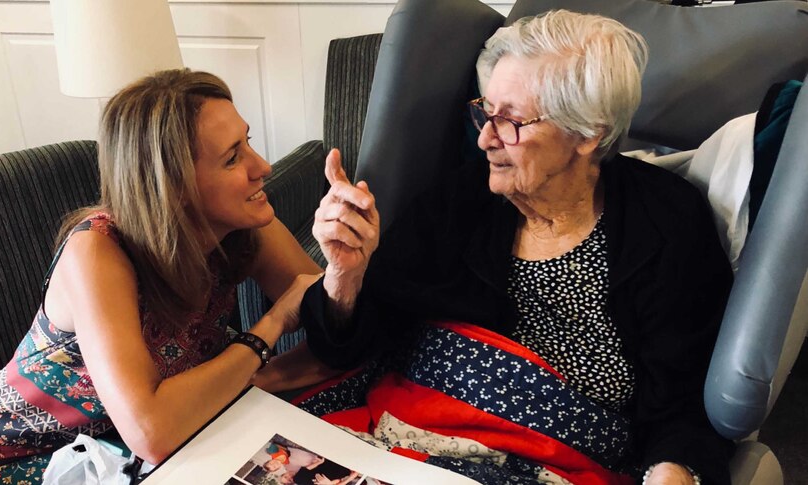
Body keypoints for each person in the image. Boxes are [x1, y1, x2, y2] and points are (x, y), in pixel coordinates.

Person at [298, 10, 733, 485]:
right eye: (485, 111)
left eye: (512, 121)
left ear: (590, 134)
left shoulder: (667, 224)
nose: (485, 138)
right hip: (402, 431)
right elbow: (353, 347)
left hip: (555, 462)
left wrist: (673, 471)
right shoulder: (458, 202)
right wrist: (345, 275)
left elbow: (688, 404)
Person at [0, 68, 328, 485]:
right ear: (174, 184)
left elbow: (336, 328)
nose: (263, 166)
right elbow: (153, 433)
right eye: (232, 157)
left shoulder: (244, 222)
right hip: (32, 457)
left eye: (248, 142)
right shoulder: (97, 251)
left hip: (146, 443)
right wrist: (270, 328)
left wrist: (350, 265)